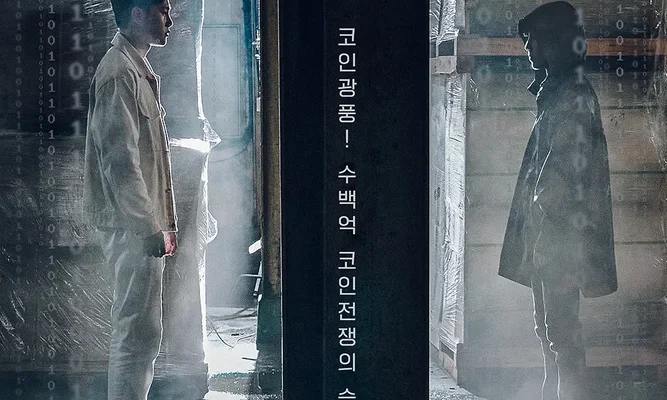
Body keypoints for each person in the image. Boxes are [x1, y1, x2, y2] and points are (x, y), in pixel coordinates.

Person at [498, 2, 618, 400]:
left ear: (553, 42)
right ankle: (552, 393)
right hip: (546, 229)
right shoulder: (556, 90)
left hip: (561, 233)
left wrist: (545, 226)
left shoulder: (572, 94)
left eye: (532, 40)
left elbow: (563, 174)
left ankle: (570, 396)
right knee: (546, 326)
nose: (527, 49)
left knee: (561, 332)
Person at [82, 0, 177, 398]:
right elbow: (120, 161)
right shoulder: (118, 73)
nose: (169, 20)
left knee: (143, 332)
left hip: (139, 224)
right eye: (162, 11)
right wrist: (147, 225)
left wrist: (161, 223)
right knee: (134, 332)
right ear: (138, 14)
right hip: (130, 227)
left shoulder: (135, 68)